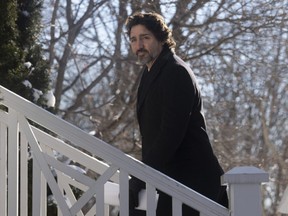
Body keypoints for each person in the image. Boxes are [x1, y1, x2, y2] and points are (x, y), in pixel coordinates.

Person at [125, 11, 228, 216]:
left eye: (145, 38)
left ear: (161, 39)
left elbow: (169, 136)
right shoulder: (149, 73)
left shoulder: (175, 71)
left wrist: (139, 179)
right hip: (169, 180)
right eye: (133, 39)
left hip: (193, 183)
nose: (139, 45)